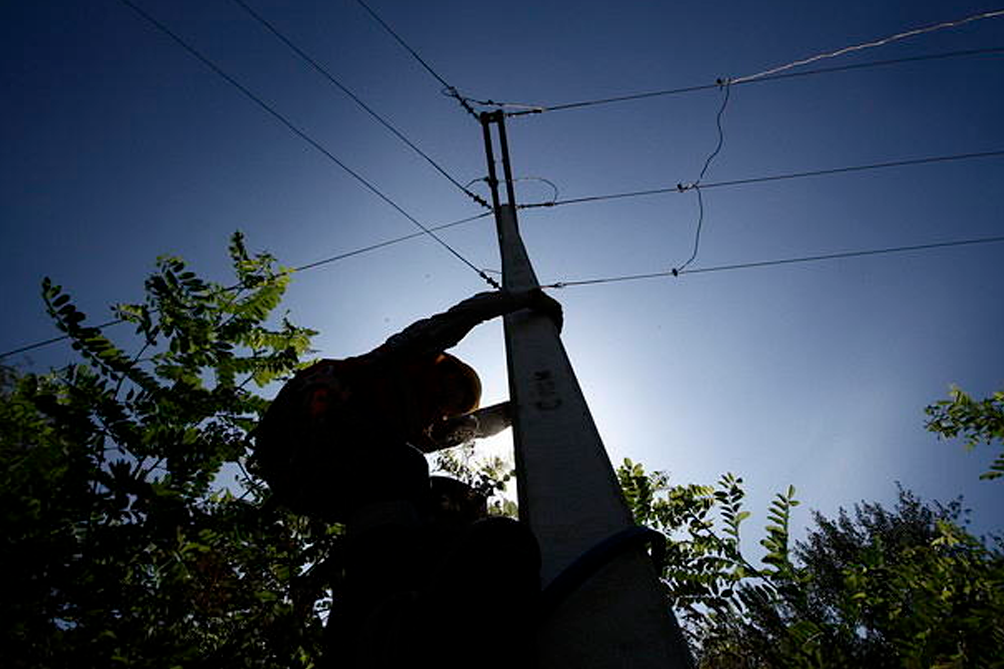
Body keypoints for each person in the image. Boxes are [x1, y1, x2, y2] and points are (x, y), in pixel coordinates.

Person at [252, 288, 562, 669]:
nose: (446, 406)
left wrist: (525, 406)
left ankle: (394, 604)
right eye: (453, 392)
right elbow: (454, 320)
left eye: (453, 406)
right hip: (302, 425)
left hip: (314, 481)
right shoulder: (395, 361)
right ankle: (381, 591)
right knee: (407, 468)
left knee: (442, 497)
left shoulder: (413, 431)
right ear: (441, 369)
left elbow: (474, 428)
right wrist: (522, 298)